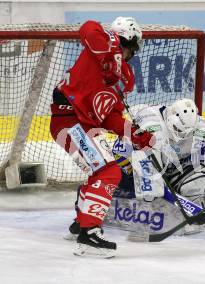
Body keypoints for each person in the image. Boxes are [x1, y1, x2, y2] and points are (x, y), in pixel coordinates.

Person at [50, 17, 154, 257]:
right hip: (69, 121)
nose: (131, 54)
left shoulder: (123, 76)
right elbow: (87, 27)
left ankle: (81, 224)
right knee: (109, 171)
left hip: (81, 126)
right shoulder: (101, 45)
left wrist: (136, 136)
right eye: (131, 48)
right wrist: (111, 53)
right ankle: (89, 234)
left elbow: (111, 116)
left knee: (100, 171)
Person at [111, 98, 205, 237]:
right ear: (170, 121)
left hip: (161, 156)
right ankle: (131, 201)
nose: (183, 136)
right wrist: (179, 204)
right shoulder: (152, 127)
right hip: (127, 157)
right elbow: (153, 178)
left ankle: (200, 204)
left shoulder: (200, 128)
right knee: (150, 191)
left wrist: (190, 191)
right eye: (178, 130)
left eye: (187, 133)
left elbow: (196, 163)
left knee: (196, 177)